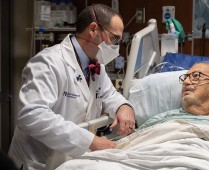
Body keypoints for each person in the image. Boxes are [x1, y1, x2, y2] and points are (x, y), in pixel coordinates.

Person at [8, 3, 135, 170]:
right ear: (93, 29)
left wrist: (123, 106)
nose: (116, 47)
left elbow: (109, 94)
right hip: (38, 161)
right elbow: (31, 115)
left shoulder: (97, 64)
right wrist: (89, 141)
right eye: (114, 39)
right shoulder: (48, 62)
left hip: (71, 161)